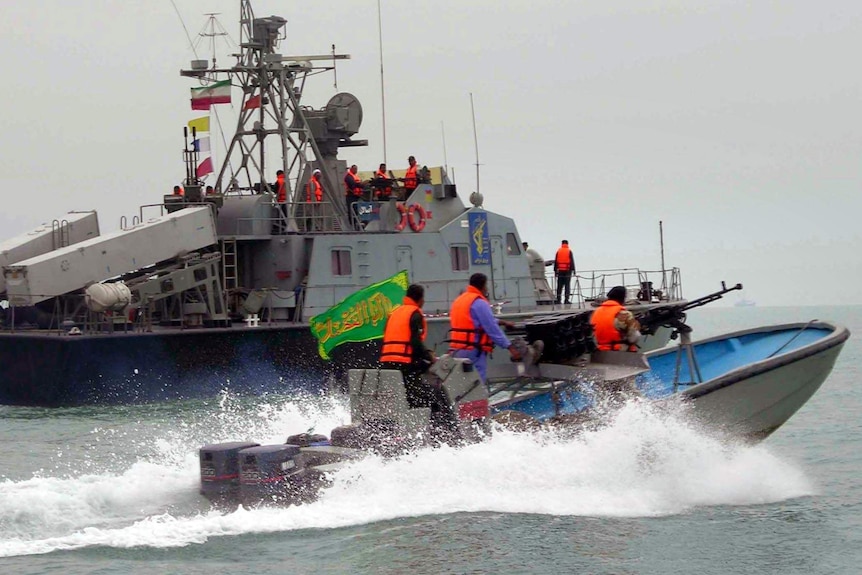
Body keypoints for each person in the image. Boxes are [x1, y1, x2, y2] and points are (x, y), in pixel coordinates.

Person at [448, 273, 521, 384]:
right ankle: (477, 401)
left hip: (457, 349)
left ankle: (462, 401)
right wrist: (509, 347)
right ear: (483, 286)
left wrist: (503, 322)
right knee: (477, 382)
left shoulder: (460, 300)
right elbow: (491, 328)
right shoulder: (479, 303)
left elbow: (474, 320)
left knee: (463, 383)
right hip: (473, 351)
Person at [380, 284, 442, 411]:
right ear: (420, 299)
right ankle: (433, 411)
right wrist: (429, 357)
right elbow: (415, 342)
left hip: (387, 361)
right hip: (404, 363)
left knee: (406, 391)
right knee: (426, 389)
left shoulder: (394, 313)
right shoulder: (414, 314)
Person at [590, 285, 642, 351]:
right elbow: (634, 337)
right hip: (618, 352)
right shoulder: (623, 313)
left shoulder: (596, 312)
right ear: (623, 298)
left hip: (600, 351)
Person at [554, 239, 575, 305]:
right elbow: (572, 261)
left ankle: (558, 299)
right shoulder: (569, 251)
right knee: (567, 285)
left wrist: (555, 271)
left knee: (559, 286)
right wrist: (574, 270)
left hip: (560, 270)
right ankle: (566, 300)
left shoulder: (558, 251)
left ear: (562, 244)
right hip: (568, 271)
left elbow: (556, 261)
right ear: (567, 244)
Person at [344, 164, 364, 229]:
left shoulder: (355, 176)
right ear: (351, 169)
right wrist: (361, 184)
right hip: (351, 196)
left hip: (356, 197)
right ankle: (352, 225)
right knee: (352, 211)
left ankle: (356, 224)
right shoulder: (348, 176)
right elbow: (352, 184)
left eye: (356, 169)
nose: (356, 170)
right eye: (354, 169)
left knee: (356, 211)